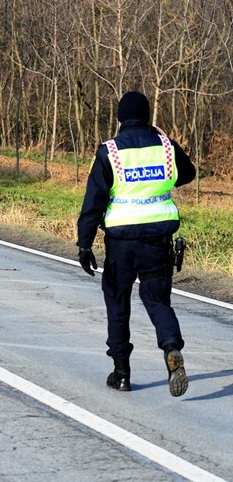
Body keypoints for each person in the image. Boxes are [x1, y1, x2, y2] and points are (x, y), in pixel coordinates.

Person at [76, 91, 196, 397]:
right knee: (158, 301)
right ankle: (171, 346)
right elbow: (188, 173)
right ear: (147, 117)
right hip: (157, 242)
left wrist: (85, 244)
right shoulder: (166, 147)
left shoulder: (110, 152)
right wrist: (164, 140)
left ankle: (122, 374)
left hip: (121, 244)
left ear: (119, 119)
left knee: (118, 304)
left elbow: (94, 200)